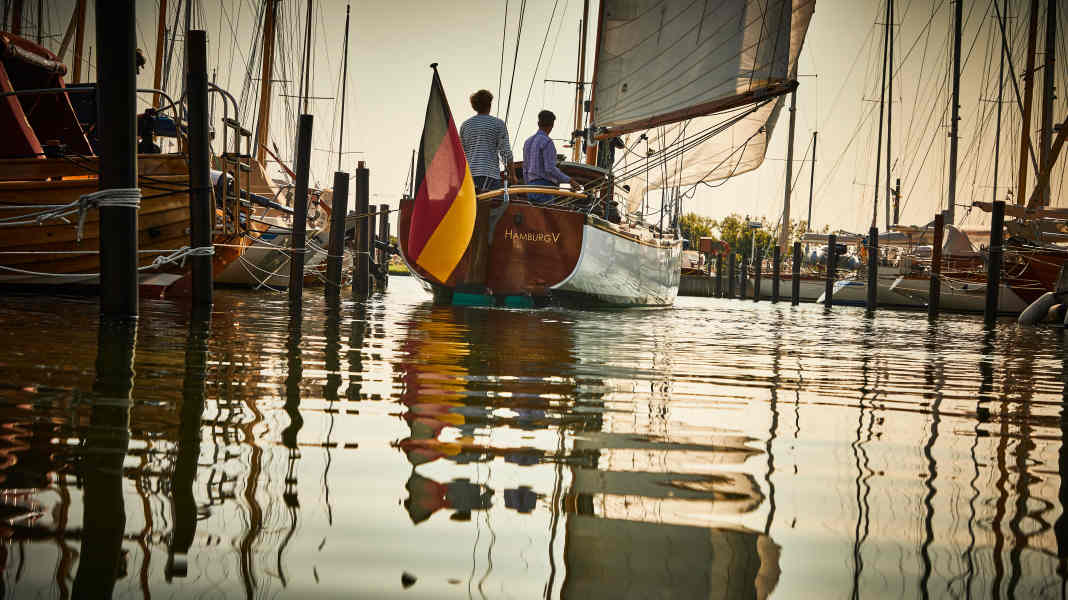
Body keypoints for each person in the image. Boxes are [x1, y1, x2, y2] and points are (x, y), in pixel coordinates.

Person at [459, 90, 516, 193]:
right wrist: (513, 175)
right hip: (489, 176)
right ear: (489, 104)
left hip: (468, 177)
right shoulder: (498, 124)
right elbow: (506, 153)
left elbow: (461, 154)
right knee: (492, 206)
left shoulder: (465, 126)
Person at [522, 110, 571, 203]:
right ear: (552, 125)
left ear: (538, 123)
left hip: (529, 188)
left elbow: (525, 169)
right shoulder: (547, 142)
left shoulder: (527, 142)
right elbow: (550, 168)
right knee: (545, 216)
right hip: (544, 189)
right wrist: (570, 181)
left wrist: (527, 187)